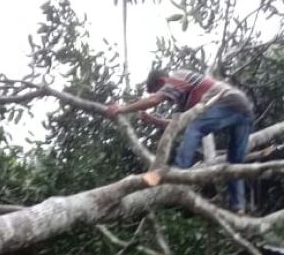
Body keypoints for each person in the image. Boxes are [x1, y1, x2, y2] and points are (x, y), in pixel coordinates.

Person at [106, 68, 255, 213]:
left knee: (195, 127)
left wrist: (121, 109)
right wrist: (153, 120)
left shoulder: (177, 76)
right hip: (244, 112)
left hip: (229, 100)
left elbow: (154, 100)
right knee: (234, 163)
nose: (165, 99)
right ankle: (239, 207)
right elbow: (177, 124)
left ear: (162, 81)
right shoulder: (184, 102)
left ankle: (179, 169)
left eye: (159, 90)